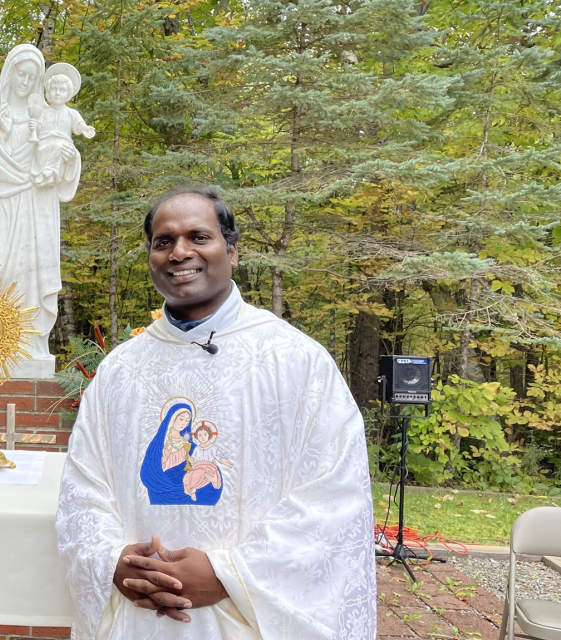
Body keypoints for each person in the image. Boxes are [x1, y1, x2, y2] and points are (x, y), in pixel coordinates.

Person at [55, 186, 375, 639]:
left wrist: (229, 573)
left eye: (198, 237)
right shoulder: (120, 371)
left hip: (245, 618)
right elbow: (83, 488)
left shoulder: (296, 361)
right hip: (140, 618)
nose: (179, 252)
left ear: (233, 250)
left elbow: (333, 495)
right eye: (163, 241)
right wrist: (115, 561)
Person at [0, 45, 86, 369]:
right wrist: (9, 139)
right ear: (9, 73)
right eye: (20, 74)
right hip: (1, 196)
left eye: (31, 76)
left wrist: (68, 159)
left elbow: (61, 152)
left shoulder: (47, 112)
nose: (25, 81)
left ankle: (32, 341)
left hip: (38, 201)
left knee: (33, 265)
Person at [29, 64, 95, 187]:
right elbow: (38, 128)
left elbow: (79, 124)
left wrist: (85, 128)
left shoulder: (71, 113)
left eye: (62, 90)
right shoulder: (43, 111)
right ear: (48, 92)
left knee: (60, 148)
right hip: (44, 143)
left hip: (63, 144)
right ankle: (44, 172)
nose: (58, 93)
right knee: (41, 150)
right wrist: (34, 126)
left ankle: (53, 173)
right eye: (54, 89)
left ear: (69, 93)